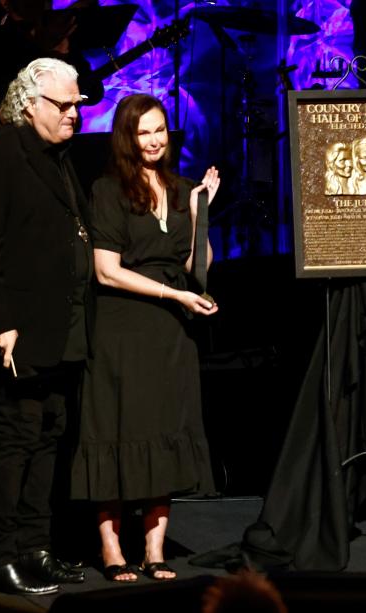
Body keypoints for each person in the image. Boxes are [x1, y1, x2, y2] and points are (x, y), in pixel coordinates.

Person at [70, 93, 219, 582]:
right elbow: (107, 272)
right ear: (127, 137)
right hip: (123, 326)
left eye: (160, 130)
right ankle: (112, 547)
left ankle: (155, 548)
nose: (154, 140)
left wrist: (200, 215)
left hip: (170, 333)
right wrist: (171, 295)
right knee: (115, 429)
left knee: (162, 430)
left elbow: (196, 270)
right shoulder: (108, 190)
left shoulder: (180, 188)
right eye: (144, 132)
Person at [0, 57, 92, 595]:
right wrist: (1, 324)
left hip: (61, 326)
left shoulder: (58, 155)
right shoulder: (2, 154)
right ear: (30, 104)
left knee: (49, 435)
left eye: (78, 105)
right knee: (15, 438)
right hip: (21, 331)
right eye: (63, 106)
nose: (73, 115)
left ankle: (34, 547)